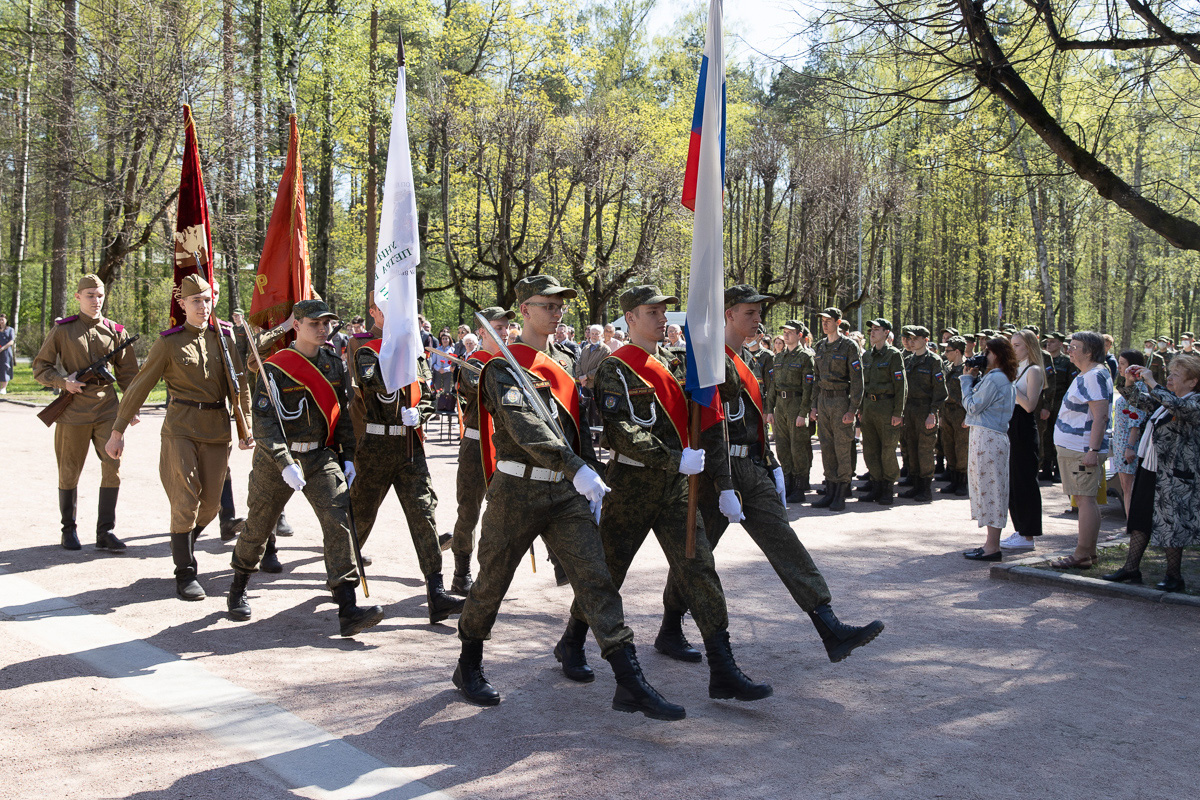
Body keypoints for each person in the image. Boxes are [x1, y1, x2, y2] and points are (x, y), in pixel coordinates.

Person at [454, 274, 683, 720]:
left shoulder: (564, 359)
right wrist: (575, 466)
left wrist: (583, 466)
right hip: (518, 490)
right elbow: (526, 427)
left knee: (595, 578)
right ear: (523, 310)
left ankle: (629, 680)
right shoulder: (503, 365)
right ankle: (469, 664)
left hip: (564, 493)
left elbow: (575, 424)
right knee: (492, 583)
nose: (557, 312)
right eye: (547, 304)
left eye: (561, 305)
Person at [555, 285, 771, 704]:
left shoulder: (676, 363)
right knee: (609, 571)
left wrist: (713, 352)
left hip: (675, 489)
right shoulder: (614, 369)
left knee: (699, 567)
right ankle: (572, 640)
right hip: (634, 484)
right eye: (651, 312)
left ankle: (723, 668)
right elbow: (623, 432)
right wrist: (675, 459)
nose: (661, 319)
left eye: (663, 312)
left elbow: (723, 395)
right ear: (630, 319)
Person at [659, 285, 884, 665]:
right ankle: (669, 626)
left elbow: (748, 422)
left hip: (752, 467)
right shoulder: (710, 359)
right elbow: (710, 428)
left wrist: (772, 464)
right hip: (720, 473)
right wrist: (725, 485)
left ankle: (829, 626)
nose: (758, 319)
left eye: (759, 312)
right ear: (728, 314)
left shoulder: (745, 357)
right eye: (750, 312)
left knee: (784, 541)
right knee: (695, 556)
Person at [226, 299, 383, 636]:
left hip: (319, 457)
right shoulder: (273, 369)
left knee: (339, 519)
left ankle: (347, 606)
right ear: (296, 326)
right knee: (258, 525)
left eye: (326, 323)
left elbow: (340, 413)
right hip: (276, 461)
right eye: (314, 323)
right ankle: (238, 585)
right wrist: (284, 463)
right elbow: (265, 423)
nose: (322, 329)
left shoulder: (332, 364)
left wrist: (349, 457)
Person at [106, 274, 252, 598]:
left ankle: (184, 541)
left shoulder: (224, 340)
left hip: (216, 430)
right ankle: (185, 572)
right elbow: (139, 386)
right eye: (195, 301)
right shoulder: (169, 342)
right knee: (185, 500)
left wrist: (246, 428)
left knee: (211, 506)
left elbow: (240, 386)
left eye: (206, 299)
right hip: (180, 429)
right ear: (183, 304)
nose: (203, 306)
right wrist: (117, 431)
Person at [349, 302, 465, 624]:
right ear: (376, 313)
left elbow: (426, 394)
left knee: (422, 512)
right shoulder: (365, 349)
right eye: (390, 310)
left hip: (409, 446)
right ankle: (343, 580)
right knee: (361, 513)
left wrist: (422, 413)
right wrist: (401, 349)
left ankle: (436, 592)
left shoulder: (415, 353)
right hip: (375, 446)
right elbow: (374, 382)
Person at [34, 274, 141, 551]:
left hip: (108, 409)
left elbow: (129, 375)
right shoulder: (63, 330)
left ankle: (105, 532)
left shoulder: (116, 331)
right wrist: (63, 382)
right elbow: (40, 367)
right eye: (90, 295)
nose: (96, 301)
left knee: (112, 467)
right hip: (73, 411)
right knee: (69, 470)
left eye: (100, 295)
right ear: (78, 297)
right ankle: (68, 529)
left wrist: (132, 408)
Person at [1101, 354, 1200, 591]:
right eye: (1171, 373)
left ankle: (1174, 577)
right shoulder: (1168, 400)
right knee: (1140, 518)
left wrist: (1153, 382)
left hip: (1175, 475)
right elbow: (1136, 399)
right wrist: (1129, 380)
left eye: (1176, 375)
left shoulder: (1193, 402)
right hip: (1151, 468)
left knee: (1171, 524)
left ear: (1193, 381)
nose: (1170, 378)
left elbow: (1178, 407)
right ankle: (1131, 568)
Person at [449, 306, 515, 595]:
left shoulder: (512, 361)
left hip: (505, 444)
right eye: (497, 328)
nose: (503, 332)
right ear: (481, 332)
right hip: (477, 444)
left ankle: (492, 572)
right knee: (469, 510)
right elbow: (482, 390)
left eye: (505, 328)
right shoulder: (473, 362)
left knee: (504, 512)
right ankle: (461, 571)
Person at [1049, 331, 1113, 570]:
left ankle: (1081, 554)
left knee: (1084, 501)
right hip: (1076, 448)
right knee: (1086, 500)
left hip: (1081, 449)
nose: (1070, 351)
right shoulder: (1090, 374)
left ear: (1089, 352)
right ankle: (1089, 552)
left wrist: (1093, 450)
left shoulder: (1094, 376)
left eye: (1075, 347)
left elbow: (1101, 416)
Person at [961, 337, 1018, 561]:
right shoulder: (995, 377)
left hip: (989, 439)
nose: (984, 356)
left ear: (999, 355)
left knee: (992, 491)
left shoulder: (996, 379)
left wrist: (966, 381)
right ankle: (989, 544)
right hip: (985, 436)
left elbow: (973, 406)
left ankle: (993, 547)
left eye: (988, 352)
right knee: (985, 489)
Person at [809, 307, 864, 510]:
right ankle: (830, 490)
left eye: (828, 320)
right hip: (823, 400)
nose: (824, 324)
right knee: (826, 447)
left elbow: (857, 380)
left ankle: (841, 491)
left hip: (841, 400)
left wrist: (852, 409)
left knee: (842, 448)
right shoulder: (820, 346)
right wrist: (814, 405)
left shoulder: (848, 346)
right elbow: (816, 379)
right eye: (822, 320)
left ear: (838, 322)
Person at [999, 330, 1046, 551]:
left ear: (1028, 346)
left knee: (1025, 480)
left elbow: (1029, 405)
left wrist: (1009, 384)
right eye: (1012, 345)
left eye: (1017, 345)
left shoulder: (1033, 370)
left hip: (1023, 425)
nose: (1013, 349)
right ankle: (1019, 529)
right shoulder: (1015, 369)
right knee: (1012, 481)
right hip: (1009, 423)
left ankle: (1029, 534)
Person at [855, 319, 906, 505]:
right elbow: (862, 385)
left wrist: (898, 412)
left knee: (887, 450)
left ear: (886, 333)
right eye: (871, 330)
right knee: (870, 449)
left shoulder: (893, 355)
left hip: (887, 408)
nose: (872, 333)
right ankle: (876, 485)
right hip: (869, 407)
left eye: (877, 329)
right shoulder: (867, 356)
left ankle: (887, 487)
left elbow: (901, 386)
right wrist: (860, 408)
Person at [765, 320, 814, 502]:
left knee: (798, 446)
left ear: (799, 335)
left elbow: (809, 388)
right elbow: (772, 387)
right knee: (783, 446)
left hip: (796, 403)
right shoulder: (778, 357)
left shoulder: (805, 357)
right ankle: (788, 481)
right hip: (780, 404)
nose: (786, 335)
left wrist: (803, 413)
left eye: (790, 332)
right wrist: (769, 409)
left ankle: (800, 485)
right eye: (784, 332)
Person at [899, 326, 947, 503]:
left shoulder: (934, 361)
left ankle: (926, 489)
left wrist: (933, 413)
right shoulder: (909, 360)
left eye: (915, 339)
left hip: (925, 409)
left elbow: (940, 391)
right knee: (911, 448)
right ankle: (916, 485)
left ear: (925, 340)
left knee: (925, 450)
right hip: (910, 409)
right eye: (909, 339)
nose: (911, 342)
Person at [939, 337, 970, 496]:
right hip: (947, 411)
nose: (945, 353)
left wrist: (969, 416)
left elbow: (973, 393)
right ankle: (954, 480)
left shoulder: (969, 368)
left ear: (957, 351)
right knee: (949, 446)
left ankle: (963, 482)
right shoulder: (947, 367)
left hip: (961, 413)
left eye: (948, 350)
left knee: (962, 448)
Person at [1040, 332, 1072, 481]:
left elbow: (1071, 385)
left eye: (1053, 342)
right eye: (1047, 342)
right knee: (1045, 435)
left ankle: (1058, 469)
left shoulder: (1067, 362)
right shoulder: (1042, 360)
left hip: (1060, 402)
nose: (1049, 344)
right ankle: (1046, 467)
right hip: (1045, 401)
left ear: (1060, 344)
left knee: (1058, 436)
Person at [0, 312, 14, 393]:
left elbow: (11, 341)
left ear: (6, 320)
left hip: (6, 352)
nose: (1, 321)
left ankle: (3, 388)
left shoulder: (10, 330)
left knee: (5, 367)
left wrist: (2, 348)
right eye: (0, 320)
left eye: (2, 319)